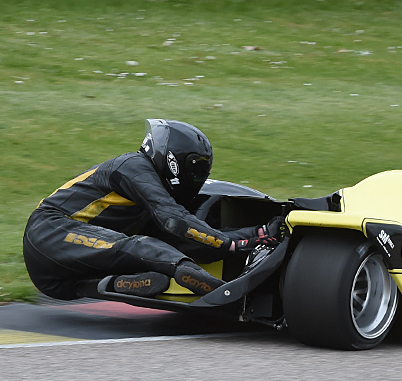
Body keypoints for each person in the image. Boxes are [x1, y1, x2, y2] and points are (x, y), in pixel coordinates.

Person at [23, 119, 282, 300]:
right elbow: (173, 220)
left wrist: (258, 234)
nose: (197, 179)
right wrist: (228, 245)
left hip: (64, 282)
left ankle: (118, 285)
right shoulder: (132, 165)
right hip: (49, 232)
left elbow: (183, 238)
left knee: (167, 244)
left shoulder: (143, 192)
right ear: (173, 159)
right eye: (195, 169)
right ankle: (201, 282)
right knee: (141, 244)